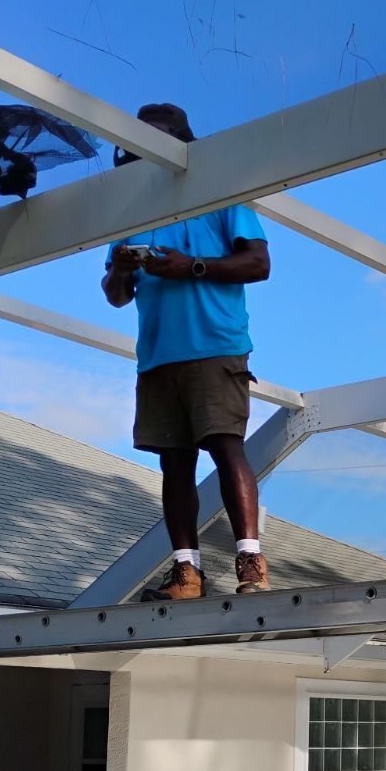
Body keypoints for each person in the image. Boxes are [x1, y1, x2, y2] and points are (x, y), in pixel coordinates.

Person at [102, 102, 272, 599]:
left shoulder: (219, 191)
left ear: (182, 142)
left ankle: (250, 563)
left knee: (224, 445)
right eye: (135, 142)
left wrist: (191, 267)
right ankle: (187, 572)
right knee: (173, 462)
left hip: (214, 343)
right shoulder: (129, 210)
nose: (142, 151)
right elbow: (114, 295)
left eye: (155, 139)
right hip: (157, 354)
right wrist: (122, 270)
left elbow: (258, 262)